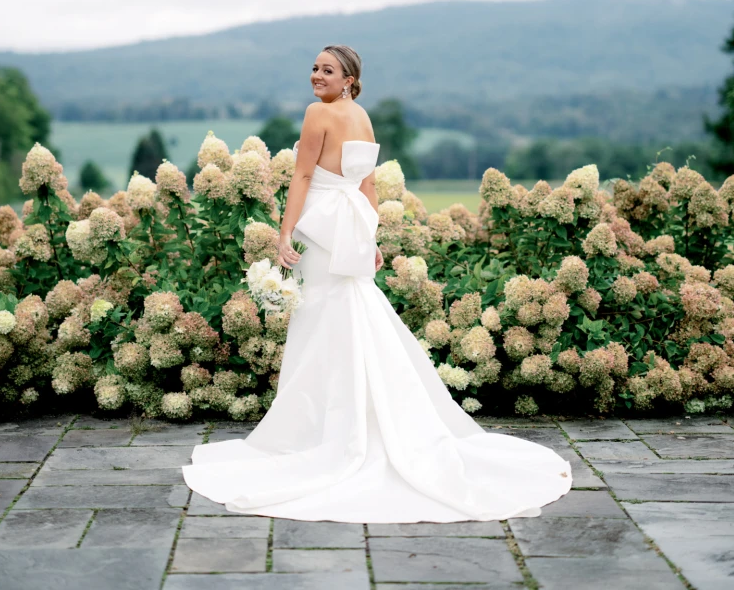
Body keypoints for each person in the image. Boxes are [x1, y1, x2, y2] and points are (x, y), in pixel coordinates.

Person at [181, 45, 572, 522]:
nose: (316, 76)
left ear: (349, 78)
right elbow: (367, 186)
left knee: (325, 319)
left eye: (327, 70)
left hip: (322, 227)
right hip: (346, 228)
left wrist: (285, 234)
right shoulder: (363, 117)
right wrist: (369, 236)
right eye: (314, 68)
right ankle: (359, 422)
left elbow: (303, 175)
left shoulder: (316, 114)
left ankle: (326, 433)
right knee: (349, 312)